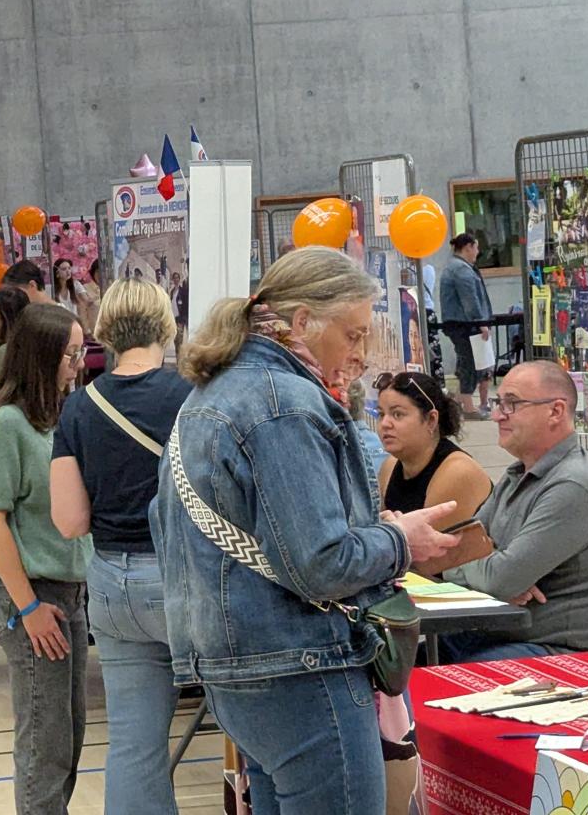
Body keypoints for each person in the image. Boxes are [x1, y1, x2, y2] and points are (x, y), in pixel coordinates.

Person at [148, 246, 460, 814]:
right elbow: (321, 563)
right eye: (353, 334)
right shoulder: (285, 405)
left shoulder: (210, 393)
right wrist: (399, 541)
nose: (360, 354)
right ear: (302, 322)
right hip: (301, 664)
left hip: (235, 662)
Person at [50, 279, 190, 815]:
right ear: (166, 327)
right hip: (182, 577)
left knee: (134, 744)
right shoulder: (190, 396)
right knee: (241, 724)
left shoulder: (79, 407)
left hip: (110, 583)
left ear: (104, 330)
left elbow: (69, 521)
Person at [0, 304, 92, 813]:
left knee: (70, 734)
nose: (78, 365)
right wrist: (27, 607)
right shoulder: (6, 425)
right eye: (70, 355)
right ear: (42, 357)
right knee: (45, 742)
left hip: (70, 592)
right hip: (32, 596)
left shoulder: (58, 418)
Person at [437, 361, 588, 662]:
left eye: (512, 404)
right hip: (487, 634)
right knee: (384, 663)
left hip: (547, 651)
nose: (497, 415)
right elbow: (454, 552)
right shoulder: (516, 476)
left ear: (555, 411)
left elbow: (499, 580)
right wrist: (490, 570)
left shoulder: (576, 486)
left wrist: (494, 572)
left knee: (410, 675)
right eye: (498, 403)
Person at [375, 370, 492, 526]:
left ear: (431, 420)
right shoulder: (389, 466)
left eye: (397, 414)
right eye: (381, 414)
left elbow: (427, 540)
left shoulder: (457, 472)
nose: (385, 424)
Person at [440, 232, 494, 418]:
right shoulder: (461, 269)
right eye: (476, 248)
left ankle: (458, 401)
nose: (477, 252)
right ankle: (468, 406)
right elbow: (469, 299)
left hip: (460, 323)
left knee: (466, 361)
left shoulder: (456, 267)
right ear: (468, 247)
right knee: (470, 363)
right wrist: (481, 322)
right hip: (465, 325)